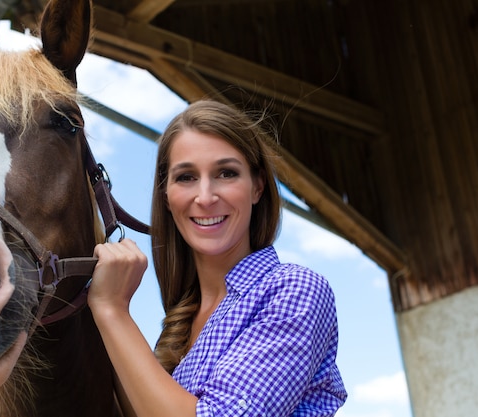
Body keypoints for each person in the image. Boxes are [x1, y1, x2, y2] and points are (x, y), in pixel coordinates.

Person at [87, 100, 347, 417]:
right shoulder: (180, 325)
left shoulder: (294, 291)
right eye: (186, 177)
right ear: (166, 196)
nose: (206, 197)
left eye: (226, 173)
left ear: (257, 187)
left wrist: (112, 310)